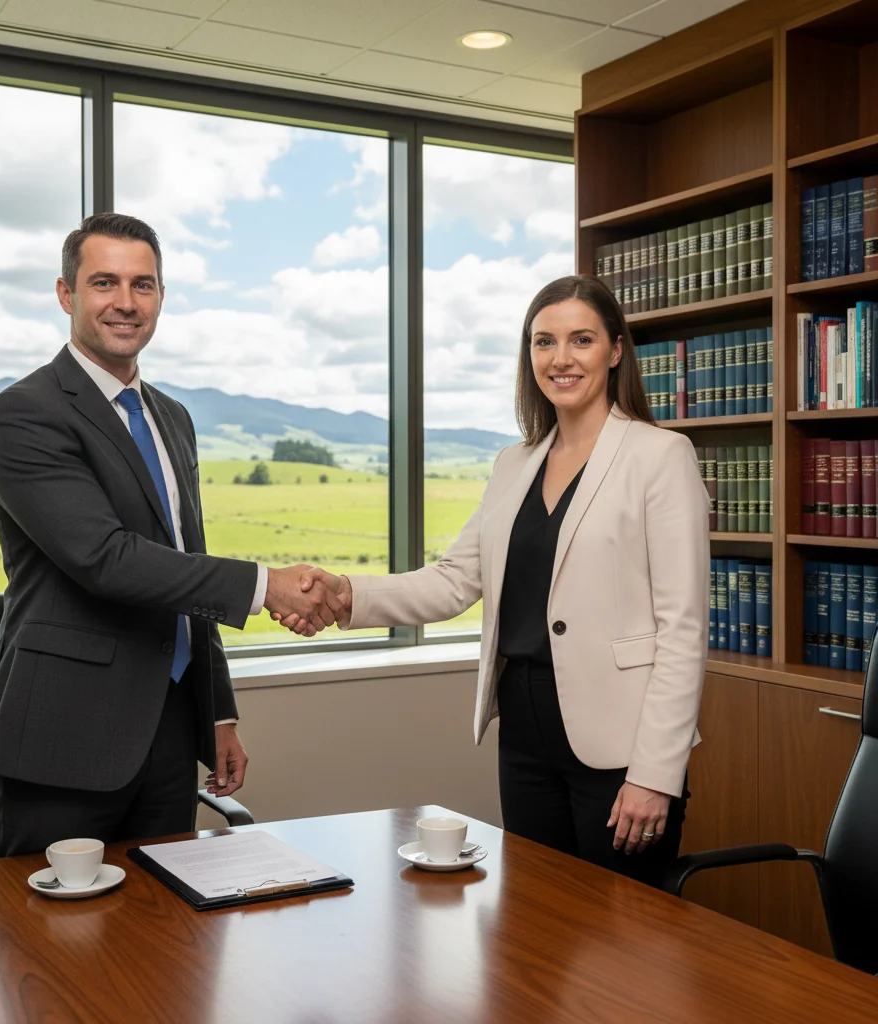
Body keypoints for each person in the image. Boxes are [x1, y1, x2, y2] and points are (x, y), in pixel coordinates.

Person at [288, 275, 709, 888]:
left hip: (622, 743)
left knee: (624, 939)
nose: (560, 358)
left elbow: (683, 630)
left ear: (615, 350)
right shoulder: (515, 463)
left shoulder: (660, 456)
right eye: (544, 342)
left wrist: (655, 773)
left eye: (581, 340)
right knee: (539, 922)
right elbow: (455, 580)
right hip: (525, 731)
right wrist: (346, 593)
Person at [0, 212, 335, 856]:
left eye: (143, 285)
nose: (125, 302)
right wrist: (266, 584)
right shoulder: (24, 413)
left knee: (170, 941)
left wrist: (217, 713)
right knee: (52, 944)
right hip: (64, 737)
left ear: (161, 298)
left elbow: (184, 568)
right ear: (67, 294)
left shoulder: (172, 418)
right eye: (104, 282)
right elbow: (105, 559)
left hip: (169, 730)